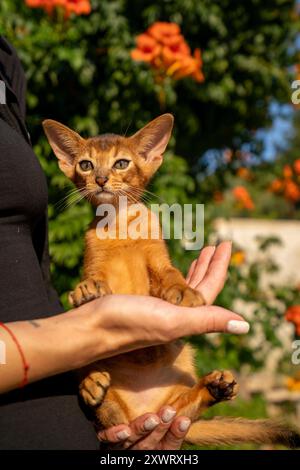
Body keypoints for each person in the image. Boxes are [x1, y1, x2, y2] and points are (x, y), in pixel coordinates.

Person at [0, 36, 249, 450]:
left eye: (118, 163)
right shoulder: (95, 235)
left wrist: (173, 285)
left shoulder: (8, 66)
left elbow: (163, 271)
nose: (100, 177)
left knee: (180, 366)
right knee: (103, 388)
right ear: (68, 166)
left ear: (150, 158)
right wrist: (90, 309)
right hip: (104, 382)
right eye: (85, 164)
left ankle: (196, 398)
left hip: (141, 386)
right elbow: (93, 288)